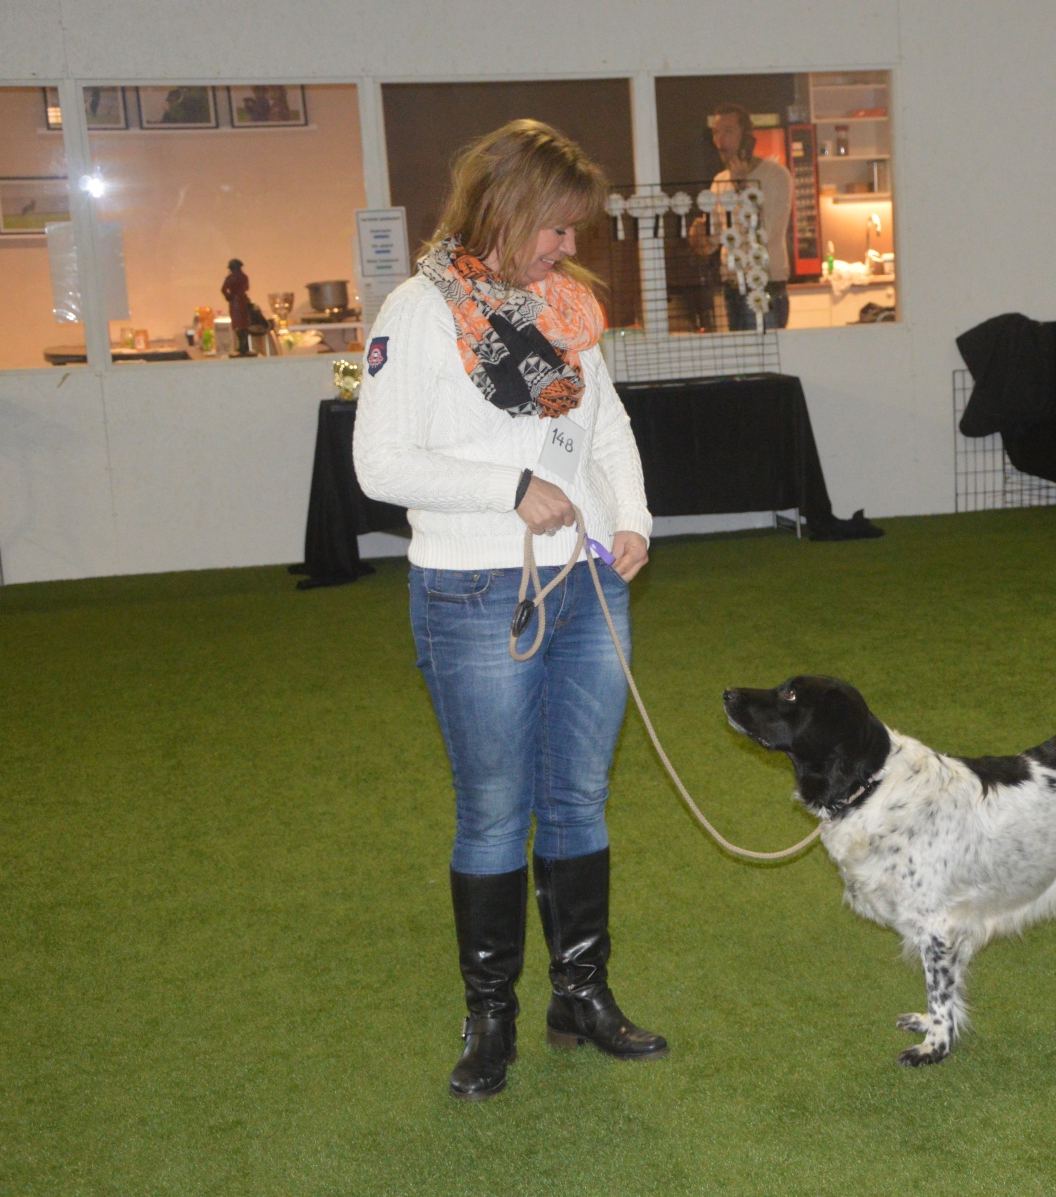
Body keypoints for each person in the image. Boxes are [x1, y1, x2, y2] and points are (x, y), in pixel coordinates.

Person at [353, 119, 666, 1102]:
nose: (569, 247)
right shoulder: (416, 312)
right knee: (494, 810)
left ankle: (582, 996)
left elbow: (605, 424)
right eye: (558, 227)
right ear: (508, 208)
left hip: (588, 584)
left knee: (578, 799)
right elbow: (379, 465)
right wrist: (511, 488)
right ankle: (490, 1017)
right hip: (475, 590)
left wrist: (633, 519)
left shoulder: (564, 306)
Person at [689, 103, 793, 330]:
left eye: (728, 131)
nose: (720, 140)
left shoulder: (776, 175)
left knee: (765, 352)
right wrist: (699, 238)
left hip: (765, 286)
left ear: (746, 137)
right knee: (741, 353)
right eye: (716, 132)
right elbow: (713, 241)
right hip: (732, 288)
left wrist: (742, 188)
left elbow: (767, 232)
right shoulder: (719, 181)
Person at [221, 259, 255, 356]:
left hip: (235, 302)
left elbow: (223, 289)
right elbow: (247, 288)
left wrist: (229, 297)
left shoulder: (230, 278)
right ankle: (245, 346)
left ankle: (242, 346)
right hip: (243, 301)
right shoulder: (244, 277)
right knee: (244, 325)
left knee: (238, 325)